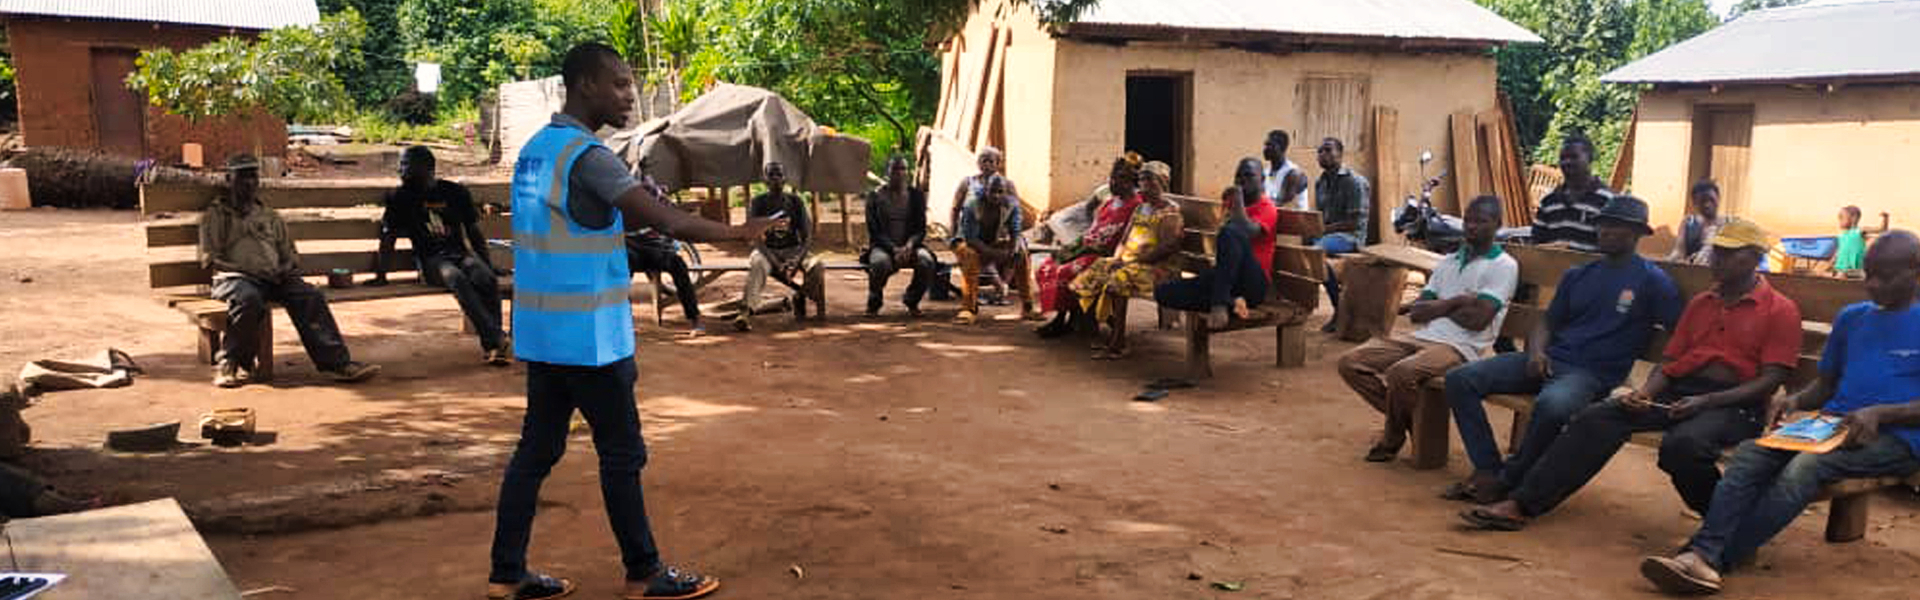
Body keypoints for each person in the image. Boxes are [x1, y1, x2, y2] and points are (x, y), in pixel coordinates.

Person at [489, 42, 775, 600]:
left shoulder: (535, 151)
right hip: (592, 342)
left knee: (536, 452)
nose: (630, 94)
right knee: (622, 455)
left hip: (543, 334)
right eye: (619, 84)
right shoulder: (587, 156)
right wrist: (737, 234)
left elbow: (573, 228)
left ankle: (506, 573)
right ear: (586, 86)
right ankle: (644, 572)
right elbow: (662, 218)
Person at [1462, 218, 1800, 531]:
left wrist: (1707, 400)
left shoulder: (1779, 309)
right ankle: (1523, 504)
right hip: (1680, 392)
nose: (1718, 260)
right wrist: (1648, 392)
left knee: (1682, 447)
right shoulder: (1702, 303)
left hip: (1736, 404)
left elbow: (1770, 380)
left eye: (1730, 255)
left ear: (1755, 258)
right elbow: (1670, 361)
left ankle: (1726, 523)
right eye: (1717, 252)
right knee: (1596, 419)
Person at [1640, 231, 1920, 596]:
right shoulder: (1853, 318)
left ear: (1915, 270)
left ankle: (1708, 558)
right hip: (1829, 427)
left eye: (1884, 276)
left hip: (1897, 437)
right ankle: (1703, 555)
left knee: (1807, 468)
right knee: (1752, 454)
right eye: (1868, 274)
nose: (1871, 284)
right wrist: (1794, 401)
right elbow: (1826, 385)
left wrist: (1882, 413)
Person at [1442, 195, 1683, 504]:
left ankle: (1509, 480)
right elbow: (1547, 323)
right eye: (1602, 225)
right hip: (1552, 360)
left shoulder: (1653, 281)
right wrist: (1537, 352)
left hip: (1592, 374)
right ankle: (1488, 468)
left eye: (1615, 227)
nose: (1605, 232)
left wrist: (1651, 386)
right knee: (1460, 379)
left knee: (1553, 406)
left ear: (1637, 233)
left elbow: (1679, 337)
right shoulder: (1579, 275)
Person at [1338, 196, 1517, 462]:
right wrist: (1459, 301)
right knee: (1350, 362)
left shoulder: (1504, 266)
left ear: (1497, 225)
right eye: (1468, 219)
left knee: (1401, 373)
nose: (1472, 226)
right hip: (1423, 336)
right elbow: (1417, 313)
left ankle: (1392, 436)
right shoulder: (1449, 261)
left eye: (1481, 221)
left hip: (1460, 347)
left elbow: (1478, 321)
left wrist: (1440, 306)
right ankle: (1412, 421)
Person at [198, 154, 381, 389]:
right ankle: (230, 363)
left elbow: (290, 254)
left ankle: (337, 364)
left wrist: (283, 269)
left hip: (274, 277)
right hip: (235, 278)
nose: (249, 182)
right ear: (228, 179)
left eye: (253, 176)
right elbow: (212, 260)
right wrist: (251, 271)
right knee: (248, 300)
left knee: (310, 296)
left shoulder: (270, 216)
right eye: (242, 176)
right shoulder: (216, 215)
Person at [372, 146, 509, 365]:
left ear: (428, 168)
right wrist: (382, 275)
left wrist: (487, 263)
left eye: (406, 164)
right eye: (401, 164)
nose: (401, 169)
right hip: (430, 261)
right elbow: (389, 238)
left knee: (485, 277)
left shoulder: (454, 192)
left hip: (460, 254)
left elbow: (473, 232)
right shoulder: (400, 196)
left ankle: (494, 346)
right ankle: (495, 339)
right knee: (456, 278)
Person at [1071, 161, 1183, 360]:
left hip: (1158, 269)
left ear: (1163, 184)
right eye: (1142, 180)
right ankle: (1092, 328)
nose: (1144, 186)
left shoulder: (1170, 212)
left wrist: (1133, 262)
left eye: (1150, 181)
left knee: (1119, 279)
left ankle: (1118, 342)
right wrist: (1117, 257)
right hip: (1133, 263)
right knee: (1098, 268)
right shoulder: (1141, 209)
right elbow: (1124, 239)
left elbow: (1167, 248)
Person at [1154, 158, 1281, 327]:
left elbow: (1247, 231)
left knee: (1230, 232)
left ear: (1262, 180)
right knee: (1163, 293)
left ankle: (1220, 302)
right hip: (1225, 278)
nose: (1242, 180)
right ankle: (1231, 302)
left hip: (1252, 283)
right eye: (1238, 176)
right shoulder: (1233, 206)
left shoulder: (1267, 207)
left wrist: (1237, 202)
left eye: (1249, 175)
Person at [1033, 155, 1144, 338]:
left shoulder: (1136, 205)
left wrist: (1086, 249)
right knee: (1050, 265)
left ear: (1133, 182)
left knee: (1068, 270)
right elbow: (1093, 230)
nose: (1114, 182)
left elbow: (1124, 240)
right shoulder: (1110, 203)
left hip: (1111, 256)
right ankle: (1063, 318)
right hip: (1091, 249)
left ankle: (1076, 320)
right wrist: (1074, 248)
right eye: (1112, 177)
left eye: (1121, 178)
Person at [736, 161, 824, 332]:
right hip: (767, 250)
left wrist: (796, 260)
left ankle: (800, 295)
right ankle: (745, 312)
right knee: (757, 265)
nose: (776, 179)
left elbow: (807, 237)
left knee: (817, 266)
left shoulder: (795, 202)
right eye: (771, 175)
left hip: (794, 250)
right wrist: (776, 263)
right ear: (765, 181)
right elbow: (755, 238)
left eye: (779, 175)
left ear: (785, 179)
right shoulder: (758, 203)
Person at [953, 174, 1034, 325]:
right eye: (992, 191)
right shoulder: (972, 205)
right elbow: (971, 238)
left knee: (1022, 253)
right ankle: (969, 309)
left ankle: (1027, 307)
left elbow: (1015, 232)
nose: (996, 196)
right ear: (985, 191)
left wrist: (1013, 251)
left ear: (1005, 193)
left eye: (1000, 192)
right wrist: (996, 254)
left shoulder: (1012, 205)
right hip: (966, 242)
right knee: (970, 257)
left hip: (993, 242)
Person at [863, 156, 935, 317]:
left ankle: (912, 299)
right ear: (887, 172)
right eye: (895, 169)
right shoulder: (875, 197)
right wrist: (894, 249)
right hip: (883, 247)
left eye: (903, 169)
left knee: (926, 261)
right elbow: (874, 231)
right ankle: (874, 301)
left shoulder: (916, 196)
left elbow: (920, 229)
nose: (899, 173)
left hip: (911, 247)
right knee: (880, 263)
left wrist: (909, 245)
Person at [1313, 137, 1370, 333]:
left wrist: (1323, 230)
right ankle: (1315, 305)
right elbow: (1322, 217)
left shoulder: (1354, 182)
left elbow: (1353, 223)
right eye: (1320, 151)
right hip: (1328, 236)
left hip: (1350, 237)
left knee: (1315, 251)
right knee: (1300, 252)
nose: (1323, 154)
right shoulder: (1320, 182)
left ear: (1340, 154)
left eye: (1328, 150)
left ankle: (1340, 309)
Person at [1532, 135, 1616, 254]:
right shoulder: (1549, 201)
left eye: (1574, 157)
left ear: (1590, 159)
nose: (1567, 162)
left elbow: (1611, 248)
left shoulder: (1607, 200)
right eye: (1563, 158)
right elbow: (1536, 243)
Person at [627, 228, 704, 335]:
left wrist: (667, 242)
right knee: (622, 267)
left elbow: (669, 233)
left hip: (657, 250)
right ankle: (623, 323)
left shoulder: (657, 215)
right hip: (632, 250)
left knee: (678, 264)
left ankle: (695, 319)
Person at [1666, 180, 1725, 266]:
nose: (1707, 205)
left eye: (1711, 200)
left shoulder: (1727, 224)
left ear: (1718, 198)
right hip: (1693, 272)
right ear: (1695, 203)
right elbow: (1679, 250)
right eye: (1702, 201)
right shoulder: (1689, 223)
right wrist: (1668, 264)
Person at [1832, 205, 1889, 278]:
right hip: (1842, 267)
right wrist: (1832, 261)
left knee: (1859, 277)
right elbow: (1839, 250)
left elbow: (1881, 229)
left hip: (1856, 268)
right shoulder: (1842, 236)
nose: (1839, 221)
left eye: (1841, 218)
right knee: (1840, 276)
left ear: (1854, 218)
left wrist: (1885, 218)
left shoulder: (1859, 231)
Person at [1263, 130, 1309, 211]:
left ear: (1281, 147)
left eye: (1269, 145)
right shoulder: (1266, 172)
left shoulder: (1294, 174)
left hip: (1295, 221)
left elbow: (1280, 204)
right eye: (1265, 145)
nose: (1265, 149)